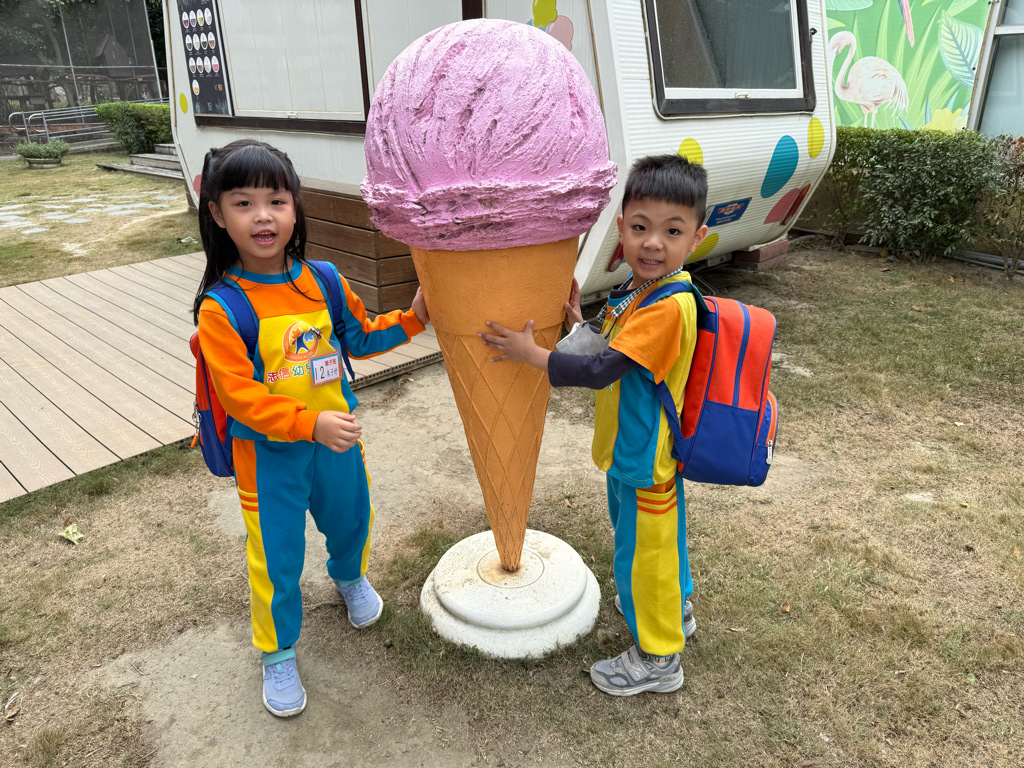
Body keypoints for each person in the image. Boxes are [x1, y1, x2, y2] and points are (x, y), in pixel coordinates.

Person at [193, 139, 429, 717]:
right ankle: (277, 653)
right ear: (218, 214)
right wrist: (308, 424)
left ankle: (349, 578)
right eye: (244, 203)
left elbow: (361, 336)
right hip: (267, 459)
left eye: (276, 201)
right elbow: (242, 398)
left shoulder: (322, 279)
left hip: (336, 441)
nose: (263, 216)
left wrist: (416, 318)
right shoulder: (223, 307)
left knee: (351, 519)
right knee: (275, 557)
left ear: (296, 207)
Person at [479, 154, 708, 696]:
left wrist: (531, 355)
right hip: (631, 452)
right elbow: (612, 345)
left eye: (672, 231)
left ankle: (659, 657)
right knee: (655, 545)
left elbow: (601, 369)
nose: (653, 243)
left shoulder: (668, 307)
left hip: (646, 459)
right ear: (622, 228)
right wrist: (579, 319)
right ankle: (675, 609)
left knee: (644, 557)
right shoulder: (645, 289)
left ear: (697, 238)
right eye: (640, 227)